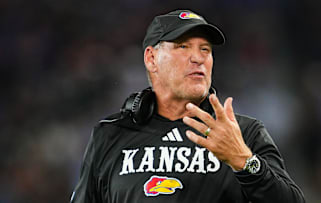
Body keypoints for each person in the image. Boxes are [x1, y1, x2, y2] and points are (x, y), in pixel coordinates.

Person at [70, 9, 305, 203]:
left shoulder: (244, 134)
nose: (198, 58)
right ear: (151, 58)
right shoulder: (110, 135)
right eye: (183, 46)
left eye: (205, 49)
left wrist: (244, 161)